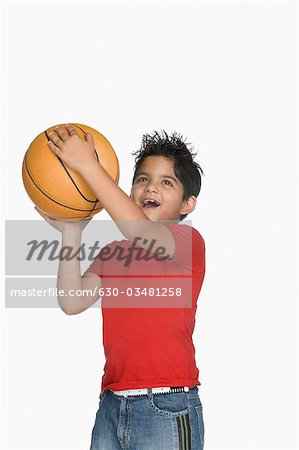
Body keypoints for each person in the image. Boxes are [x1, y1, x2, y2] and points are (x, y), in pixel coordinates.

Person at [36, 125, 206, 449]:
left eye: (165, 182)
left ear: (187, 204)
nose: (149, 187)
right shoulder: (113, 253)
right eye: (142, 179)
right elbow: (72, 301)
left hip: (167, 405)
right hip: (112, 404)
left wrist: (88, 165)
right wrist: (72, 232)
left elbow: (138, 229)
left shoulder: (188, 243)